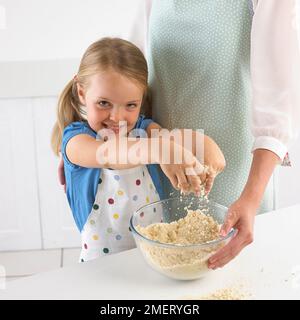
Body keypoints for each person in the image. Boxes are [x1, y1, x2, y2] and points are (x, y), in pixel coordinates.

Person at [140, 0, 300, 269]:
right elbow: (130, 69)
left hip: (234, 179)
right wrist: (86, 135)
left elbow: (277, 106)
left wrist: (250, 198)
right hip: (158, 166)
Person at [52, 37, 226, 262]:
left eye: (130, 105)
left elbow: (183, 141)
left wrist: (207, 151)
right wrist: (160, 150)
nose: (117, 117)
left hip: (153, 256)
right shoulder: (76, 140)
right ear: (82, 93)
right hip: (100, 266)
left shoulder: (144, 131)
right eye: (104, 103)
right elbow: (109, 154)